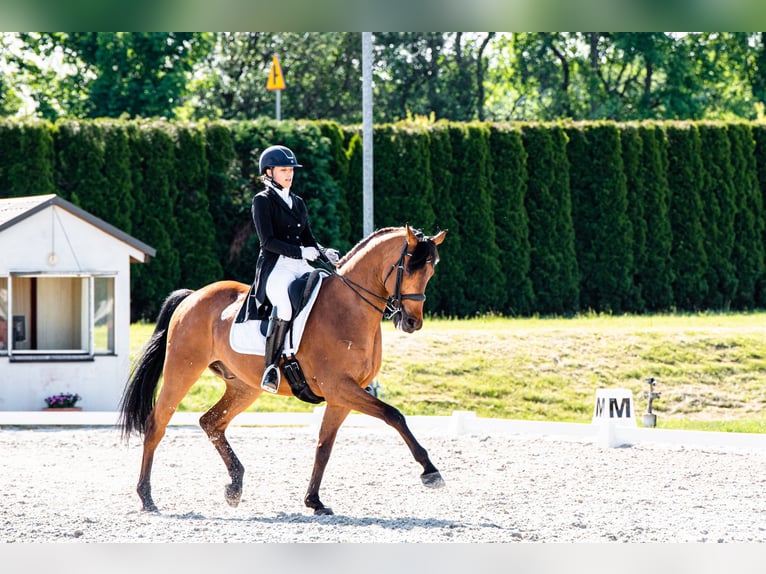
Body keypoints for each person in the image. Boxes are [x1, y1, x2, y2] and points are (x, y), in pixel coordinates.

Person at [251, 144, 339, 393]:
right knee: (286, 306)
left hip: (301, 265)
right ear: (269, 173)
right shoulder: (262, 201)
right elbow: (267, 241)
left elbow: (308, 238)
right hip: (276, 268)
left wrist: (324, 252)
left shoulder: (297, 202)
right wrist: (301, 252)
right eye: (283, 170)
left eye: (291, 170)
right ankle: (270, 368)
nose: (289, 174)